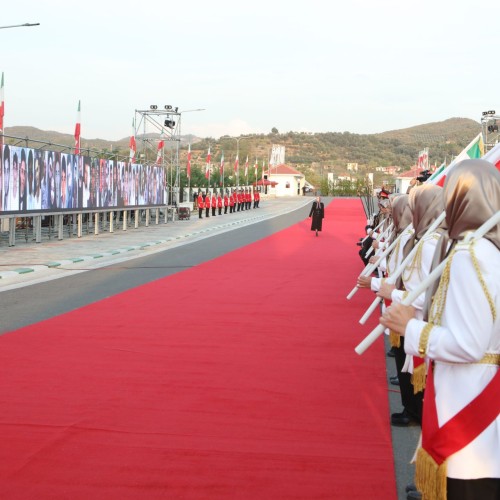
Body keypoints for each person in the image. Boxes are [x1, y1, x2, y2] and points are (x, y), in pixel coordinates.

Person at [381, 159, 500, 500]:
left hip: (469, 396)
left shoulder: (470, 255)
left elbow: (469, 344)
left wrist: (412, 328)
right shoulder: (487, 251)